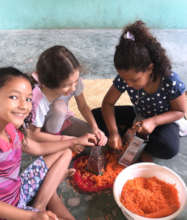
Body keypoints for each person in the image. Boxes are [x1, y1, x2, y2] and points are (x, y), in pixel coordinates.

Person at [0, 67, 97, 220]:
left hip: (18, 191)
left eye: (28, 99)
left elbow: (37, 148)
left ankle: (40, 204)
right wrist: (31, 216)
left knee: (65, 151)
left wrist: (75, 141)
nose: (24, 106)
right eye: (13, 97)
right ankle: (44, 198)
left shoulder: (11, 129)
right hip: (8, 213)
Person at [92, 20, 187, 160]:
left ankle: (135, 139)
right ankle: (128, 134)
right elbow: (108, 103)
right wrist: (113, 133)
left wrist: (154, 122)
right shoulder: (126, 77)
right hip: (140, 116)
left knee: (168, 147)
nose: (128, 84)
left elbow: (180, 111)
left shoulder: (170, 80)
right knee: (95, 116)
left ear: (150, 68)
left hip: (165, 120)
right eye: (125, 79)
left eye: (134, 80)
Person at [30, 45, 107, 148]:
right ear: (50, 83)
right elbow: (34, 135)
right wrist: (71, 142)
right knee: (60, 107)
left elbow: (83, 106)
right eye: (67, 85)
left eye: (75, 82)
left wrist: (95, 128)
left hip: (61, 121)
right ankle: (56, 143)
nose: (73, 88)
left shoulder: (74, 80)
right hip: (41, 132)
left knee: (97, 142)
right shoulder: (38, 99)